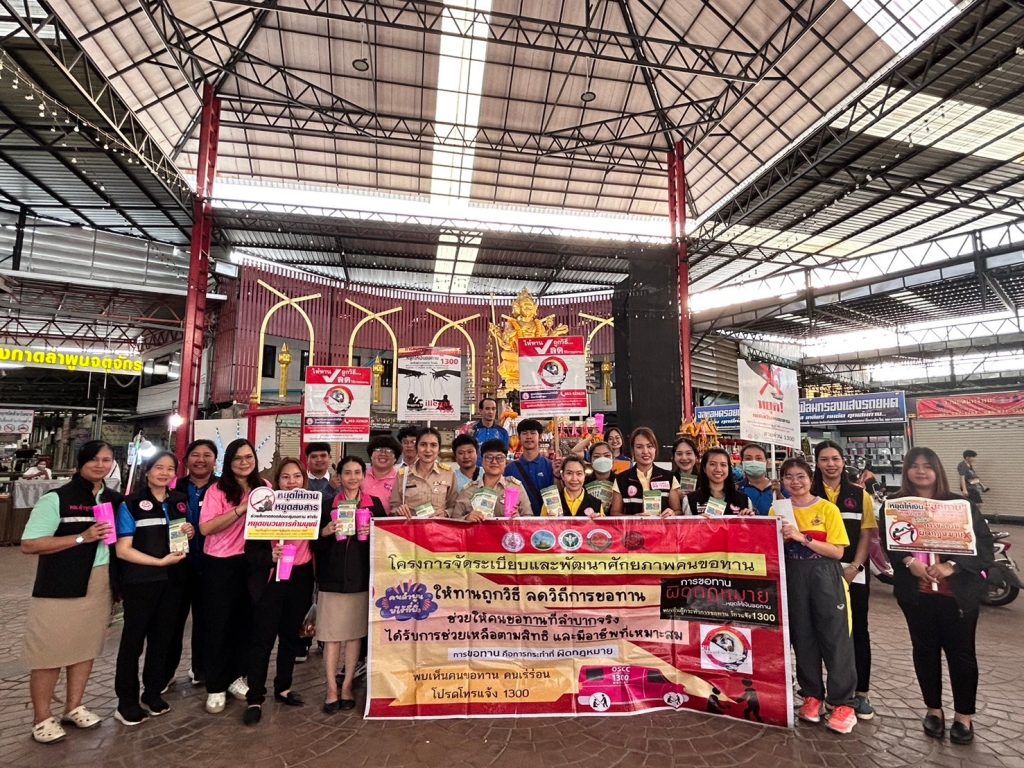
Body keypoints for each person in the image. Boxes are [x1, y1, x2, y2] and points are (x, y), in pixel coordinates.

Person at [881, 447, 994, 745]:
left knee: (961, 655)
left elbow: (984, 548)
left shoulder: (961, 505)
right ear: (906, 470)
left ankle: (964, 716)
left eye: (927, 465)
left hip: (957, 597)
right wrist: (910, 562)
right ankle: (933, 710)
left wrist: (951, 566)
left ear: (937, 470)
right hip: (916, 596)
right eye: (914, 465)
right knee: (924, 651)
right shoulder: (893, 506)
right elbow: (889, 543)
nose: (921, 471)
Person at [20, 440, 125, 744]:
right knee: (49, 652)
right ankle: (42, 717)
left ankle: (73, 706)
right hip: (60, 584)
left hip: (100, 581)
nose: (100, 465)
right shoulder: (57, 498)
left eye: (106, 460)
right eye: (94, 459)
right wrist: (82, 537)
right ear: (81, 462)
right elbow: (30, 544)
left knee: (85, 647)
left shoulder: (116, 499)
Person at [776, 457, 857, 735]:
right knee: (803, 637)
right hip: (793, 578)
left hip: (825, 577)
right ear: (782, 481)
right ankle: (812, 696)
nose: (795, 482)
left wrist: (803, 538)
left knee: (835, 638)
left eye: (801, 476)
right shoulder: (778, 509)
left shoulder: (827, 509)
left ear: (811, 479)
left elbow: (838, 551)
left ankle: (843, 703)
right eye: (788, 477)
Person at [113, 451, 191, 725]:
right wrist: (158, 563)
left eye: (170, 468)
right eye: (159, 467)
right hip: (141, 582)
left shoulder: (179, 501)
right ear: (147, 471)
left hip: (173, 581)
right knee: (133, 642)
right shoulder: (131, 503)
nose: (164, 473)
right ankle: (126, 701)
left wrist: (189, 532)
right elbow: (123, 550)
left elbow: (181, 534)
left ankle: (153, 692)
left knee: (162, 639)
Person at [241, 458, 316, 725]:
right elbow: (250, 553)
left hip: (301, 577)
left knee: (290, 637)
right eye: (286, 477)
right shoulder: (264, 507)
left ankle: (283, 687)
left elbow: (321, 542)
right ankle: (255, 697)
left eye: (297, 476)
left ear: (304, 480)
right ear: (277, 481)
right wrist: (269, 557)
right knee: (262, 639)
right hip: (271, 580)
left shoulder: (313, 506)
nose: (291, 482)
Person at [199, 438, 268, 714]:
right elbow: (206, 528)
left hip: (252, 564)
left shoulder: (265, 487)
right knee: (219, 625)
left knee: (246, 624)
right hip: (221, 563)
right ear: (229, 462)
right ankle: (215, 685)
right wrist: (241, 509)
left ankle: (237, 677)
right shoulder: (217, 490)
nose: (244, 462)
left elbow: (275, 522)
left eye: (248, 457)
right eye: (238, 458)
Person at [810, 440, 877, 720]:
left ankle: (860, 693)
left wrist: (855, 567)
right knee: (817, 632)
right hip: (815, 573)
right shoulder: (807, 492)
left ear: (843, 461)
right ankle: (815, 694)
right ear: (817, 463)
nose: (831, 464)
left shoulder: (860, 495)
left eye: (835, 458)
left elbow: (866, 534)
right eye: (824, 459)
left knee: (857, 631)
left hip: (852, 572)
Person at [315, 456, 386, 712]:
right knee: (331, 637)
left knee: (355, 636)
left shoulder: (374, 505)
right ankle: (331, 689)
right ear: (339, 477)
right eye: (347, 473)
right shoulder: (326, 505)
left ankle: (346, 686)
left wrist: (374, 533)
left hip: (361, 579)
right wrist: (324, 532)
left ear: (364, 476)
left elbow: (386, 541)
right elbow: (312, 544)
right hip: (332, 579)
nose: (353, 477)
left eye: (358, 472)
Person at [165, 438, 217, 689]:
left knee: (207, 620)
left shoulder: (222, 488)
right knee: (171, 621)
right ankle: (164, 673)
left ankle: (202, 669)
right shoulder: (172, 488)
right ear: (186, 460)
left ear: (215, 461)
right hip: (177, 565)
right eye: (196, 455)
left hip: (211, 564)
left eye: (207, 455)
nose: (201, 460)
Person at [452, 440, 531, 520]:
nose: (494, 461)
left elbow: (529, 517)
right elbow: (454, 520)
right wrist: (467, 518)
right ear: (482, 461)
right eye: (489, 457)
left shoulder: (515, 487)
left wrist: (519, 519)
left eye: (499, 458)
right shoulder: (469, 491)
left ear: (505, 462)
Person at [610, 427, 681, 516]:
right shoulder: (621, 479)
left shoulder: (669, 477)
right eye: (639, 447)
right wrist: (634, 519)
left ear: (655, 449)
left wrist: (672, 513)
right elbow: (615, 513)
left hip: (661, 525)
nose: (645, 451)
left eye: (649, 446)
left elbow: (678, 511)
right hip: (633, 526)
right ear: (632, 450)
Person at [390, 427, 457, 517]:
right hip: (411, 525)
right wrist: (399, 510)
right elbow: (394, 508)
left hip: (438, 525)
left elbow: (455, 506)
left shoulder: (448, 473)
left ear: (439, 449)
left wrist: (446, 513)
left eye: (433, 445)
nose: (428, 450)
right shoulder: (403, 474)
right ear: (416, 447)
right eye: (423, 445)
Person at [504, 419, 555, 516]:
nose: (529, 437)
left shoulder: (550, 466)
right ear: (519, 437)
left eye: (533, 433)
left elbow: (555, 493)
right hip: (519, 520)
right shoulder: (510, 468)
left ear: (540, 437)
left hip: (545, 519)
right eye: (524, 433)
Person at [686, 448, 753, 515]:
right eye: (712, 464)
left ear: (728, 468)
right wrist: (698, 520)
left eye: (723, 465)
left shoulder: (744, 500)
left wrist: (747, 517)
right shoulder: (690, 500)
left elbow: (750, 520)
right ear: (704, 468)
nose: (718, 469)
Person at [737, 443, 780, 516]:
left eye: (758, 458)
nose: (754, 462)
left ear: (767, 462)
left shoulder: (779, 488)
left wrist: (780, 496)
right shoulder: (736, 489)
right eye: (748, 459)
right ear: (742, 463)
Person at [362, 434, 401, 509]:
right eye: (378, 449)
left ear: (395, 459)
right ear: (371, 456)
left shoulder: (400, 480)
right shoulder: (360, 476)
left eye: (389, 451)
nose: (383, 453)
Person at [305, 442, 336, 507]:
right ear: (307, 459)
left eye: (323, 456)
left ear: (330, 457)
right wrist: (330, 488)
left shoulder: (338, 482)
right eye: (314, 456)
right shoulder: (300, 482)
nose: (319, 459)